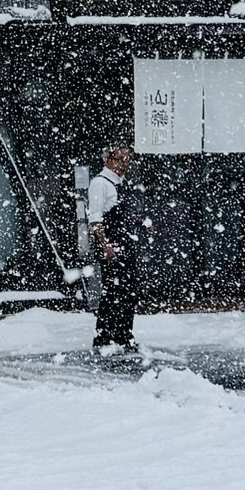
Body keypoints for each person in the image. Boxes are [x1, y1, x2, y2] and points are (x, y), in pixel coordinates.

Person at [85, 144, 140, 353]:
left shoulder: (120, 182)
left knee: (128, 290)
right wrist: (105, 244)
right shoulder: (100, 183)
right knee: (113, 291)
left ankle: (124, 334)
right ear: (109, 159)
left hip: (125, 241)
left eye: (126, 160)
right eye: (119, 159)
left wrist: (139, 223)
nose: (123, 164)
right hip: (112, 243)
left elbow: (124, 213)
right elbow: (96, 217)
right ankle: (104, 336)